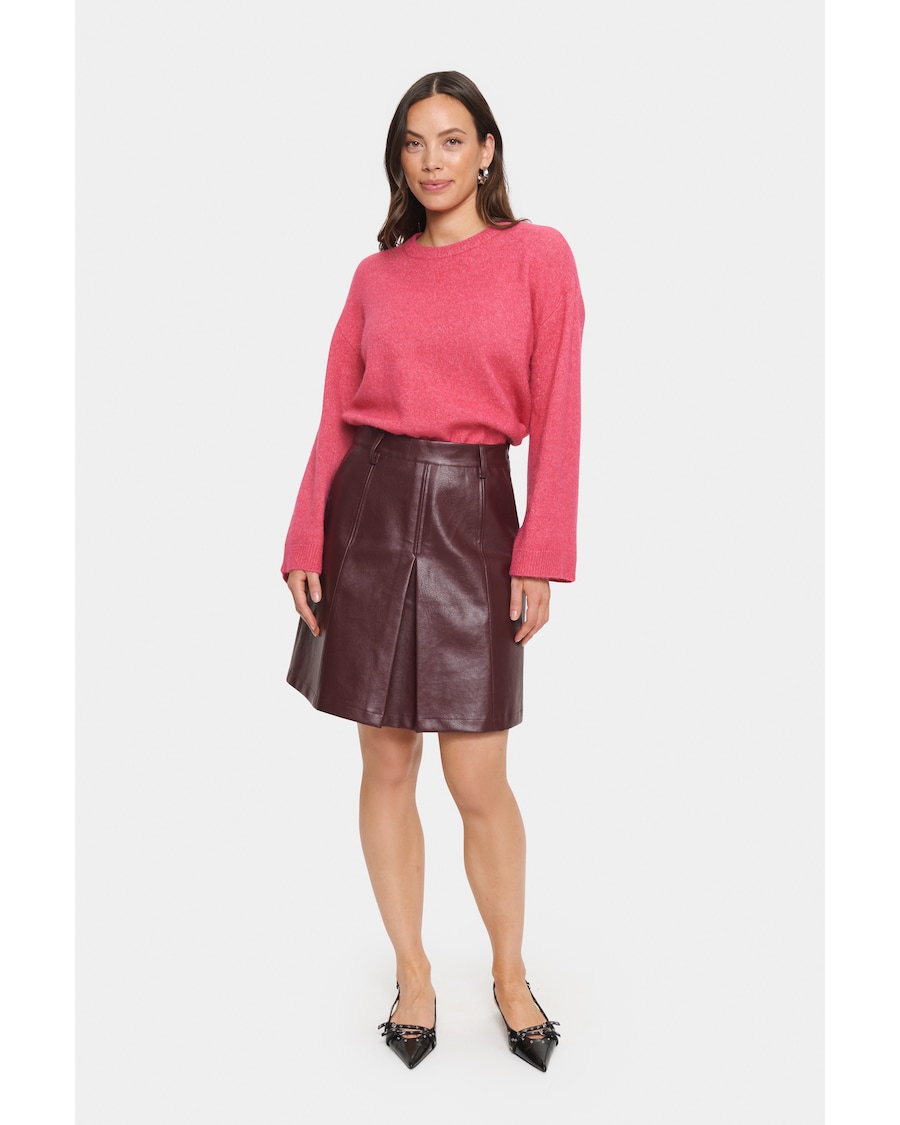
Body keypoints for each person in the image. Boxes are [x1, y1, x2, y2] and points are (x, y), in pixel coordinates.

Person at [281, 70, 583, 1071]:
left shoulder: (538, 256)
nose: (432, 161)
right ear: (397, 158)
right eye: (414, 143)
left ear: (488, 150)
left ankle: (509, 972)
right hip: (367, 510)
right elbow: (335, 414)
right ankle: (413, 972)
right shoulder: (378, 275)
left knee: (478, 771)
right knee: (385, 756)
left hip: (474, 513)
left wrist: (542, 552)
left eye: (453, 140)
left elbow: (562, 408)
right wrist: (304, 539)